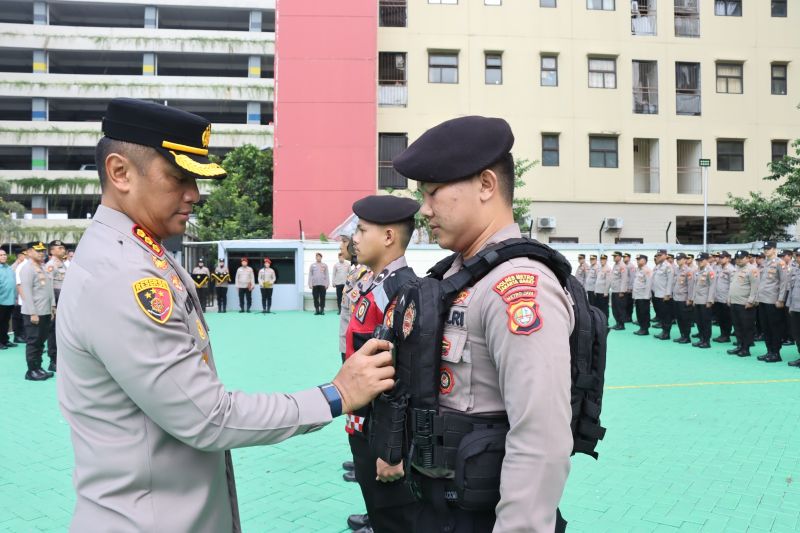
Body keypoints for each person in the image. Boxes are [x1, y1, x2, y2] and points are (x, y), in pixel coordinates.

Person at [56, 98, 396, 532]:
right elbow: (207, 417)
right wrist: (336, 395)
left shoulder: (143, 252)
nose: (193, 195)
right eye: (178, 178)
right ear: (120, 173)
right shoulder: (122, 274)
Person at [393, 115, 573, 532]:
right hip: (441, 507)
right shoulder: (459, 276)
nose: (424, 209)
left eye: (434, 192)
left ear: (487, 185)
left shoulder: (517, 287)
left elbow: (541, 437)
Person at [344, 195, 422, 533]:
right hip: (364, 424)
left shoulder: (400, 290)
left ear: (388, 237)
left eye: (361, 230)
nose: (354, 239)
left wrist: (392, 450)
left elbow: (403, 377)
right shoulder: (375, 283)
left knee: (394, 519)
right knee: (379, 510)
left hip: (382, 431)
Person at [19, 241, 55, 380]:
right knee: (33, 342)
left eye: (42, 251)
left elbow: (48, 288)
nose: (41, 253)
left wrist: (52, 306)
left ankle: (39, 367)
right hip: (33, 313)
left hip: (44, 311)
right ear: (28, 252)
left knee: (41, 341)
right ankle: (31, 371)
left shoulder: (43, 267)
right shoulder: (27, 269)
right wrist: (33, 313)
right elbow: (26, 292)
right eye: (37, 251)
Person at [756, 241, 788, 362]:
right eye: (765, 248)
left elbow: (784, 282)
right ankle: (769, 351)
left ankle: (776, 353)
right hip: (763, 299)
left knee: (775, 327)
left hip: (773, 300)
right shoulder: (764, 263)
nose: (766, 250)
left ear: (774, 249)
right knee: (765, 327)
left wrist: (780, 299)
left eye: (768, 248)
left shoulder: (780, 263)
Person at [727, 250, 759, 357]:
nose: (739, 260)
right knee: (737, 326)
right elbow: (732, 285)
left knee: (747, 327)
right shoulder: (736, 269)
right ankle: (740, 345)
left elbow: (755, 287)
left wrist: (751, 301)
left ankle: (746, 348)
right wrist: (729, 298)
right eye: (737, 258)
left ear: (747, 258)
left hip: (745, 303)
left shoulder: (752, 269)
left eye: (741, 258)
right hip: (735, 302)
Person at [45, 239, 68, 369]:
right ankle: (53, 360)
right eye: (58, 248)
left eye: (62, 248)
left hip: (62, 299)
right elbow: (48, 287)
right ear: (52, 251)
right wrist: (52, 305)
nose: (62, 250)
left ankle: (59, 358)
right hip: (55, 299)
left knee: (60, 330)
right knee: (53, 330)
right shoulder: (51, 265)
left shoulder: (63, 265)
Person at [689, 252, 716, 349]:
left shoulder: (710, 271)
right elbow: (695, 286)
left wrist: (710, 300)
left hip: (705, 301)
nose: (699, 262)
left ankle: (706, 341)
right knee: (699, 321)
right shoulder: (697, 271)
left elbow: (712, 286)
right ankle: (702, 339)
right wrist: (693, 299)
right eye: (698, 261)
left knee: (706, 322)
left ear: (706, 260)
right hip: (697, 300)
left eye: (701, 260)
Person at [672, 253, 695, 344]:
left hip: (684, 298)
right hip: (676, 298)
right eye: (677, 259)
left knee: (685, 319)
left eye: (679, 259)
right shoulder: (676, 269)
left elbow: (691, 285)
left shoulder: (688, 271)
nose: (677, 260)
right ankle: (682, 335)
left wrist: (690, 298)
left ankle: (686, 336)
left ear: (685, 260)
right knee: (679, 318)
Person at [712, 251, 735, 343]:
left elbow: (732, 284)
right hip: (718, 297)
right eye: (720, 257)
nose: (720, 259)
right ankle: (722, 334)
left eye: (722, 257)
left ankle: (726, 335)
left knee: (727, 318)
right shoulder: (718, 268)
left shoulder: (731, 269)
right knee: (720, 318)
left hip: (725, 298)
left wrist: (729, 298)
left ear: (728, 258)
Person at [651, 249, 674, 340]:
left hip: (665, 296)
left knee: (666, 315)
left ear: (665, 256)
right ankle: (663, 331)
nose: (658, 257)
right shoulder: (658, 266)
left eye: (660, 255)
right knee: (662, 314)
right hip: (658, 294)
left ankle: (666, 333)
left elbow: (670, 281)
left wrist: (667, 294)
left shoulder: (668, 266)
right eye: (657, 255)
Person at [0, 248, 18, 350]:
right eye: (1, 255)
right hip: (1, 301)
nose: (4, 256)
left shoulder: (9, 268)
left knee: (5, 322)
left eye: (4, 254)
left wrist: (15, 297)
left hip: (9, 300)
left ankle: (5, 340)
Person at [632, 254, 653, 336]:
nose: (637, 261)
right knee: (639, 313)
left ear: (644, 260)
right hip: (638, 296)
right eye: (637, 259)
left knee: (644, 313)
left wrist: (646, 297)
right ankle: (641, 328)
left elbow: (649, 284)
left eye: (639, 259)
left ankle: (645, 329)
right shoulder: (638, 269)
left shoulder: (647, 270)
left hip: (644, 297)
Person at [12, 249, 28, 344]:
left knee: (22, 317)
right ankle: (17, 336)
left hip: (22, 296)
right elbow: (16, 284)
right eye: (24, 254)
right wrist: (17, 297)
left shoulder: (25, 265)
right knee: (17, 317)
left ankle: (22, 335)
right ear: (19, 256)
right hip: (17, 296)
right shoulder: (15, 267)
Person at [610, 251, 629, 330]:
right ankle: (617, 323)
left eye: (615, 256)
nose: (614, 257)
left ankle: (621, 324)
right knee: (614, 308)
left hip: (619, 291)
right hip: (614, 290)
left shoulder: (622, 266)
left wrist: (622, 291)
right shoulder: (615, 265)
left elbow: (624, 279)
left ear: (620, 257)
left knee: (620, 308)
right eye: (613, 256)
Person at [594, 254, 611, 325]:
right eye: (601, 259)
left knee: (604, 309)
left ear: (606, 260)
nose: (602, 261)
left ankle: (605, 322)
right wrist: (595, 290)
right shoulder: (600, 268)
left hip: (603, 293)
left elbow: (608, 281)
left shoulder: (608, 269)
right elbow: (597, 280)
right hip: (598, 291)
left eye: (604, 259)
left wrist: (606, 292)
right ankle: (600, 321)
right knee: (599, 308)